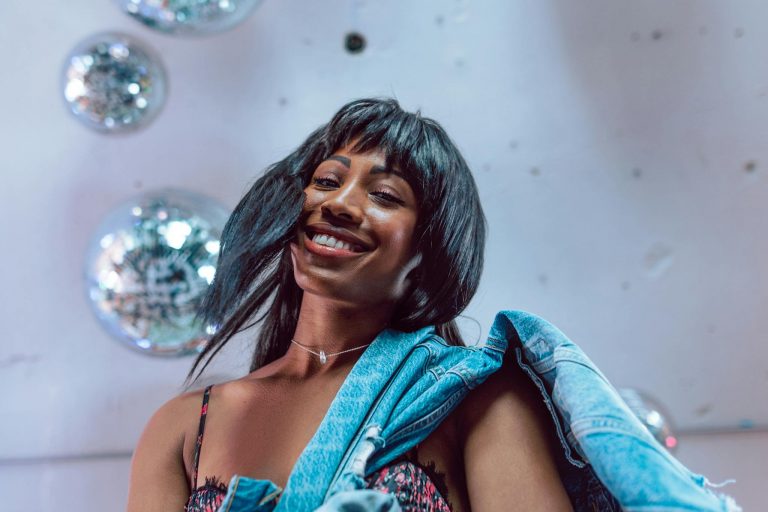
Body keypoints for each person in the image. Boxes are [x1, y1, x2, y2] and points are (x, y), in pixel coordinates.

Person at [126, 98, 740, 512]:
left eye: (385, 194)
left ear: (430, 251)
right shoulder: (182, 427)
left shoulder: (473, 400)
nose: (339, 205)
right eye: (326, 180)